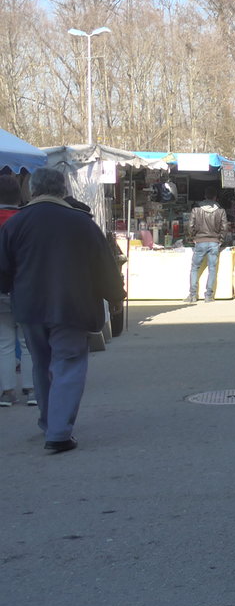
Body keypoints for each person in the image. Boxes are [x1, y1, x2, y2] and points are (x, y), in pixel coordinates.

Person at [0, 167, 125, 453]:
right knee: (68, 365)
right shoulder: (81, 223)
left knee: (42, 365)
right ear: (62, 190)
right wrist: (115, 296)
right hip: (72, 306)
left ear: (31, 190)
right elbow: (104, 265)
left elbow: (3, 270)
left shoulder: (15, 224)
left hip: (30, 308)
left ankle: (48, 422)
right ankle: (58, 431)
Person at [0, 173, 30, 408]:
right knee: (28, 341)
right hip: (25, 287)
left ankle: (7, 391)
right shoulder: (27, 220)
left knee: (4, 342)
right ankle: (31, 389)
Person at [186, 186, 228, 303]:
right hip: (214, 242)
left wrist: (192, 238)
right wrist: (220, 240)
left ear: (205, 196)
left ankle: (193, 295)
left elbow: (190, 226)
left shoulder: (196, 209)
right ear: (215, 197)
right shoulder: (221, 211)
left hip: (199, 241)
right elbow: (224, 228)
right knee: (212, 269)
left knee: (194, 268)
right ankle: (208, 296)